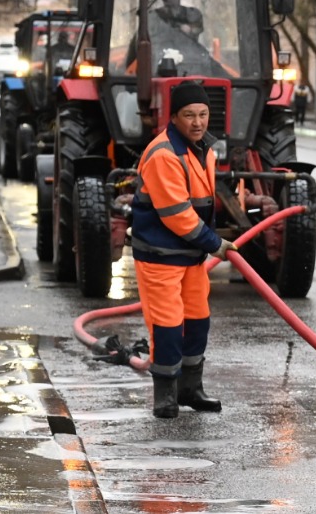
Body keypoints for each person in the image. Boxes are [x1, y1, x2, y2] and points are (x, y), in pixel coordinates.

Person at [130, 80, 237, 419]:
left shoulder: (203, 149)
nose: (198, 122)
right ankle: (165, 393)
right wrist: (216, 244)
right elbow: (178, 215)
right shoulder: (163, 154)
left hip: (190, 256)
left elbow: (203, 201)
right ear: (173, 117)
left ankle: (191, 389)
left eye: (203, 114)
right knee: (168, 326)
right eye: (189, 115)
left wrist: (208, 246)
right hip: (161, 255)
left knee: (197, 321)